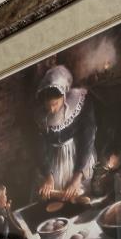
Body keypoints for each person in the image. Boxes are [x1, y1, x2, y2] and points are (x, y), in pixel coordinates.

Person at [32, 64, 97, 202]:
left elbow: (87, 141)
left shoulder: (80, 103)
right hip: (54, 162)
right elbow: (39, 146)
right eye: (48, 105)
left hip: (77, 158)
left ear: (64, 97)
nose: (52, 109)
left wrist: (77, 177)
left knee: (79, 197)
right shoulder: (40, 116)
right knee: (56, 200)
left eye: (55, 104)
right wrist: (48, 175)